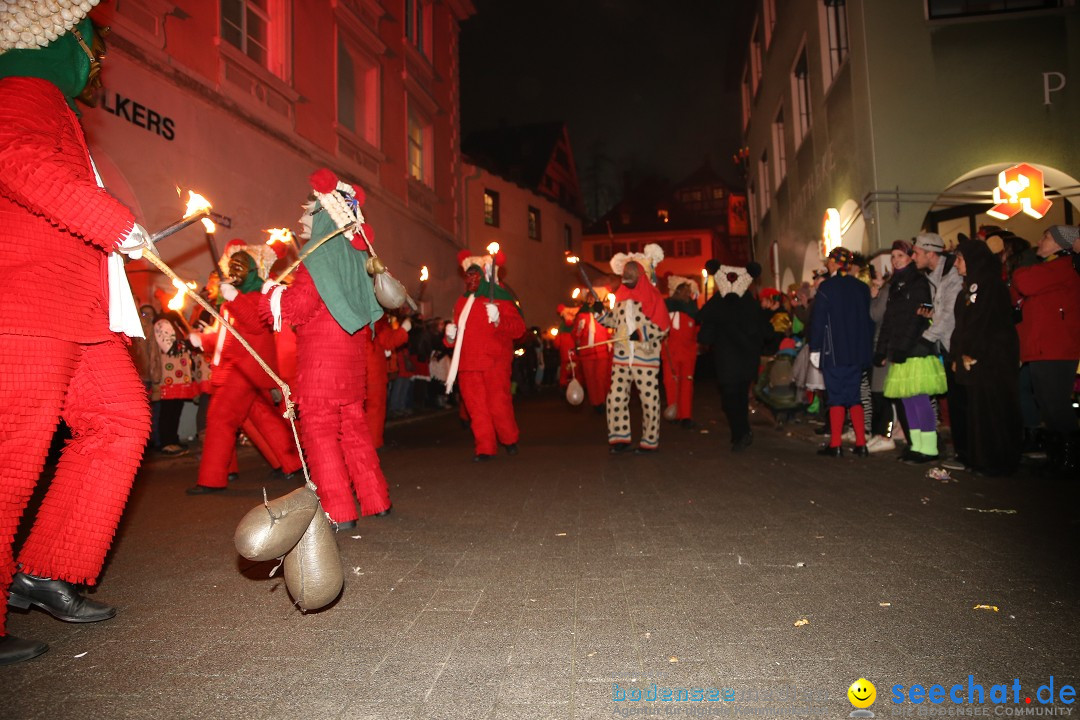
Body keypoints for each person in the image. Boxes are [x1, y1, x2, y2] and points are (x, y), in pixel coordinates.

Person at [0, 12, 152, 664]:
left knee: (121, 419)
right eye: (91, 48)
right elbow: (15, 159)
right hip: (26, 300)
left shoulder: (52, 101)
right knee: (7, 465)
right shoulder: (23, 89)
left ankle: (49, 567)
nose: (95, 61)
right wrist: (111, 220)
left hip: (75, 306)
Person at [260, 169, 391, 528]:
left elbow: (299, 308)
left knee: (319, 434)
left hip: (321, 366)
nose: (301, 218)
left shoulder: (316, 256)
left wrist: (271, 294)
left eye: (308, 211)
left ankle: (340, 510)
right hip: (351, 362)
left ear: (323, 215)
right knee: (353, 430)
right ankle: (376, 499)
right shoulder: (352, 255)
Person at [188, 243, 303, 494]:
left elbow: (254, 323)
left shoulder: (257, 296)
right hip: (242, 368)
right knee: (262, 417)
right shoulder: (236, 299)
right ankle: (291, 462)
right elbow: (229, 336)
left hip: (244, 369)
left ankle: (212, 478)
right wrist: (203, 340)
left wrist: (233, 298)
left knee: (220, 418)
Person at [443, 249, 526, 461]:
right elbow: (457, 337)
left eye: (475, 275)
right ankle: (485, 447)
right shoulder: (462, 302)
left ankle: (509, 439)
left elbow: (518, 330)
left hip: (495, 361)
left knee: (498, 404)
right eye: (468, 275)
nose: (470, 279)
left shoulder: (502, 298)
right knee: (476, 408)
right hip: (468, 364)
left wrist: (499, 320)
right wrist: (450, 337)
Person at [1011, 225, 1080, 476]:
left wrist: (1023, 269)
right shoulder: (1050, 267)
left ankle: (1070, 460)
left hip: (1056, 348)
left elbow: (1024, 282)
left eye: (1047, 237)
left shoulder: (1065, 266)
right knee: (1048, 404)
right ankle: (1058, 458)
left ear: (1063, 243)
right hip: (1042, 348)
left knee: (1056, 405)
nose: (1040, 241)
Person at [950, 239, 1021, 476]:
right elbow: (962, 326)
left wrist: (971, 352)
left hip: (991, 362)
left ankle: (998, 461)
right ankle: (981, 458)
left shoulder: (990, 286)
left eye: (960, 259)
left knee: (993, 411)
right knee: (977, 411)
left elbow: (985, 325)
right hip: (975, 361)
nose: (956, 264)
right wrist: (957, 355)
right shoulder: (971, 287)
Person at [876, 240, 947, 463]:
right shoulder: (896, 285)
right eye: (893, 256)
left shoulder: (918, 282)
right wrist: (882, 350)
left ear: (910, 258)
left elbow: (916, 320)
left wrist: (903, 347)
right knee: (907, 400)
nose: (896, 260)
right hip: (900, 349)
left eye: (901, 255)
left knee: (919, 399)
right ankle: (916, 445)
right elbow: (889, 320)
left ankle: (929, 448)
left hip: (915, 349)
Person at [602, 244, 670, 453]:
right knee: (616, 397)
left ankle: (649, 440)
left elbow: (662, 324)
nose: (625, 277)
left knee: (649, 399)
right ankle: (620, 438)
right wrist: (600, 314)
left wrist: (642, 334)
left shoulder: (653, 296)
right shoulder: (620, 298)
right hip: (622, 356)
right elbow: (614, 322)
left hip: (645, 357)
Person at [698, 263, 769, 451]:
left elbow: (704, 336)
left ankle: (740, 433)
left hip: (727, 363)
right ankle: (741, 433)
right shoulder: (750, 305)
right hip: (745, 362)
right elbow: (764, 333)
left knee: (731, 399)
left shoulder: (717, 306)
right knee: (739, 397)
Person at [810, 248, 874, 457]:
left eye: (829, 261)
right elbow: (868, 321)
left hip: (834, 351)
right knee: (854, 397)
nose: (827, 265)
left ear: (835, 263)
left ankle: (835, 444)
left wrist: (815, 348)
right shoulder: (862, 288)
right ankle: (861, 443)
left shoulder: (827, 287)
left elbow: (818, 321)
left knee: (836, 397)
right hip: (856, 351)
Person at [911, 232, 964, 466]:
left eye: (916, 252)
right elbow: (941, 313)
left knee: (961, 400)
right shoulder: (935, 275)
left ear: (931, 253)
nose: (914, 257)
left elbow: (950, 315)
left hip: (957, 345)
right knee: (953, 400)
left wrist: (926, 337)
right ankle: (962, 452)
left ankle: (966, 453)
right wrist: (930, 316)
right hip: (947, 344)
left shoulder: (951, 275)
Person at [366, 314, 409, 449]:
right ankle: (374, 442)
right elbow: (389, 341)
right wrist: (404, 329)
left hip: (357, 370)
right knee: (376, 408)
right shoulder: (378, 321)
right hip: (374, 371)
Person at [662, 276, 700, 429]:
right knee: (671, 384)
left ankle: (685, 416)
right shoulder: (666, 307)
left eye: (689, 292)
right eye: (685, 291)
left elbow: (697, 330)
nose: (688, 294)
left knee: (686, 385)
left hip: (688, 354)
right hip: (670, 353)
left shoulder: (692, 310)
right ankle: (674, 412)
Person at [571, 300, 612, 411]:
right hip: (587, 353)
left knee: (602, 378)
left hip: (602, 351)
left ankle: (603, 401)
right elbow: (577, 333)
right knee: (591, 379)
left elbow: (608, 332)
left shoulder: (603, 315)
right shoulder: (583, 316)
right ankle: (596, 403)